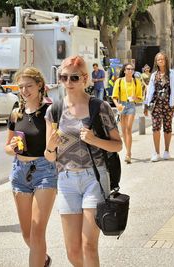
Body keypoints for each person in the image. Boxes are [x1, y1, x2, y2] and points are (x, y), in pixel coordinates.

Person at [44, 55, 122, 267]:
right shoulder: (54, 110)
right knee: (73, 251)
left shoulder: (100, 107)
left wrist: (94, 139)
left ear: (85, 78)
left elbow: (118, 145)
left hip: (94, 178)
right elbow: (49, 156)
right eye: (64, 77)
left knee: (89, 245)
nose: (68, 83)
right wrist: (51, 145)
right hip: (66, 181)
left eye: (74, 78)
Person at [4, 67, 57, 267]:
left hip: (44, 171)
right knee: (27, 234)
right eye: (21, 86)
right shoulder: (16, 113)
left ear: (40, 86)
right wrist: (12, 148)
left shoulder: (48, 111)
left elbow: (51, 146)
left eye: (29, 86)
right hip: (19, 171)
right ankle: (43, 259)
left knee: (36, 231)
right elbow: (7, 148)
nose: (25, 90)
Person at [144, 52, 174, 162]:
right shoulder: (154, 75)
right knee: (155, 127)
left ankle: (166, 151)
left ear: (166, 60)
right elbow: (150, 91)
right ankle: (156, 152)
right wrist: (146, 105)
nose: (160, 61)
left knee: (167, 127)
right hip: (156, 104)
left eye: (162, 59)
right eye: (158, 59)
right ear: (156, 62)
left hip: (168, 104)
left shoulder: (172, 74)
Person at [111, 63, 143, 164]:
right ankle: (128, 150)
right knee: (124, 131)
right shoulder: (119, 81)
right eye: (128, 69)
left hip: (131, 105)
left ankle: (128, 153)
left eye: (132, 69)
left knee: (129, 128)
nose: (130, 71)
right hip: (121, 105)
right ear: (124, 71)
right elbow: (114, 97)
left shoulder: (136, 82)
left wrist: (135, 98)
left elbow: (140, 99)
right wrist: (117, 105)